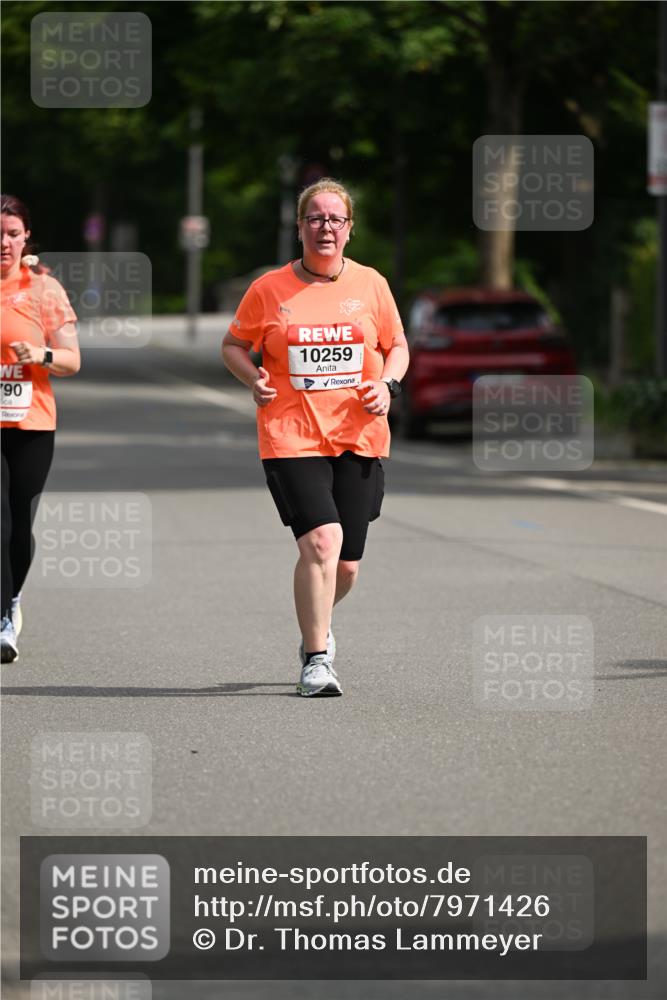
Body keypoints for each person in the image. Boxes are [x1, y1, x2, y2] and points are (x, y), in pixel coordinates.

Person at [222, 178, 409, 696]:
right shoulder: (269, 289)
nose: (326, 227)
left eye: (335, 219)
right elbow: (233, 346)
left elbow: (397, 346)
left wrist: (388, 386)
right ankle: (316, 657)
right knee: (323, 542)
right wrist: (252, 378)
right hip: (291, 434)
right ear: (300, 226)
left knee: (346, 564)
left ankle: (317, 620)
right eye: (316, 218)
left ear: (349, 229)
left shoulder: (371, 284)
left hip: (358, 433)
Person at [1, 194, 80, 662]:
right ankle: (1, 618)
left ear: (26, 236)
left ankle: (12, 600)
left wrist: (41, 355)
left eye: (13, 234)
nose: (4, 243)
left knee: (18, 524)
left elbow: (72, 360)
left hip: (31, 423)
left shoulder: (44, 289)